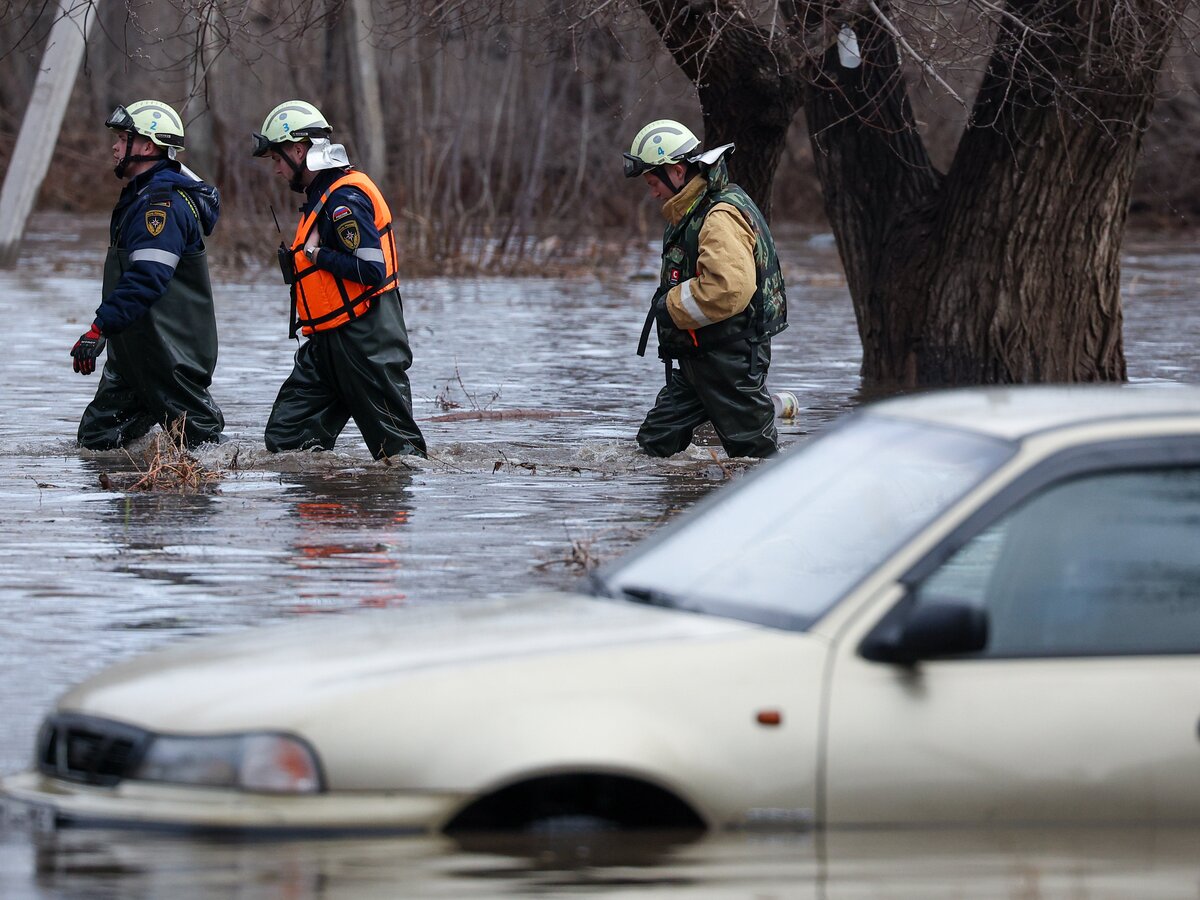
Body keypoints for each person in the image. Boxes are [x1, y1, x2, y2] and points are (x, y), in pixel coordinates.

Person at [252, 100, 426, 460]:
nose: (277, 170)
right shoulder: (322, 198)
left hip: (366, 338)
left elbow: (370, 270)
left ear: (299, 150)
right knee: (287, 438)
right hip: (327, 343)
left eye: (277, 159)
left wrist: (317, 255)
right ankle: (329, 501)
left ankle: (390, 510)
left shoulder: (344, 198)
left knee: (399, 452)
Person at [624, 119, 787, 459]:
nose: (652, 192)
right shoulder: (694, 210)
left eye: (654, 181)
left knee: (756, 458)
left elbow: (728, 290)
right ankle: (672, 507)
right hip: (700, 358)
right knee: (655, 445)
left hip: (730, 361)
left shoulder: (718, 215)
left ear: (678, 171)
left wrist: (669, 306)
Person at [71, 99, 224, 449]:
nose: (114, 146)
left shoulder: (162, 206)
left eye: (123, 138)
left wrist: (99, 328)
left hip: (170, 355)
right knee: (97, 442)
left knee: (202, 446)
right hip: (135, 353)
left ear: (148, 146)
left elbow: (147, 278)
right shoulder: (139, 199)